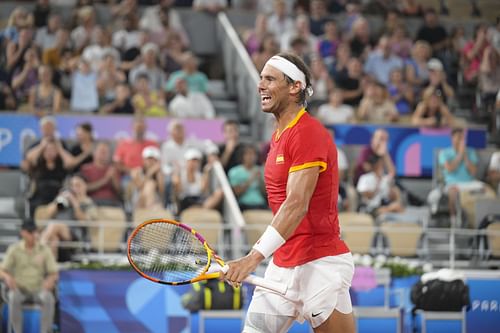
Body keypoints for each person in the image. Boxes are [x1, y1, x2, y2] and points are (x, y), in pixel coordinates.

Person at [222, 53, 354, 333]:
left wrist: (251, 259)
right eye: (260, 78)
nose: (260, 85)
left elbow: (296, 205)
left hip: (321, 265)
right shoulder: (278, 137)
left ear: (295, 87)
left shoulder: (308, 132)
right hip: (282, 266)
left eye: (269, 79)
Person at [0, 219, 58, 333]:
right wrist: (7, 277)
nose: (33, 235)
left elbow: (54, 272)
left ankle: (44, 331)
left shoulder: (44, 250)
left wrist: (50, 280)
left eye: (34, 232)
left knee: (49, 298)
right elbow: (2, 270)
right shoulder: (14, 249)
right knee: (13, 298)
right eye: (30, 232)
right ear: (23, 233)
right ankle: (17, 331)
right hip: (19, 289)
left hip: (39, 289)